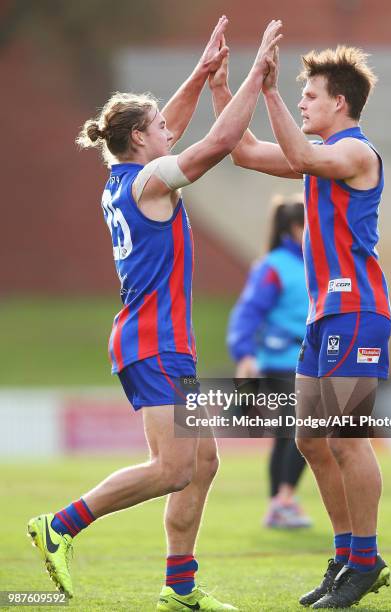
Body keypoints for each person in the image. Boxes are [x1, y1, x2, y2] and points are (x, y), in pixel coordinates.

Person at [27, 17, 283, 612]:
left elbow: (167, 126)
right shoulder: (149, 185)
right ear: (140, 140)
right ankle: (60, 525)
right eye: (160, 128)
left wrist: (200, 72)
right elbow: (219, 142)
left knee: (203, 462)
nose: (169, 129)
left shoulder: (121, 178)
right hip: (154, 342)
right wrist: (253, 74)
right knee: (172, 468)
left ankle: (180, 588)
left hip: (165, 343)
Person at [209, 40, 391, 608]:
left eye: (310, 95)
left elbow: (307, 158)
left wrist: (267, 90)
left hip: (357, 311)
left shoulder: (356, 153)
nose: (303, 101)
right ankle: (346, 558)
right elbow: (243, 150)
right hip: (323, 316)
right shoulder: (318, 149)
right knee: (311, 438)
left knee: (346, 437)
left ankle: (366, 560)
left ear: (340, 102)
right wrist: (222, 84)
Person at [227, 194, 312, 529]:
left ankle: (280, 503)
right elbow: (247, 313)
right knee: (305, 430)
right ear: (295, 227)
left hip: (306, 360)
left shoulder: (314, 263)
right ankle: (284, 500)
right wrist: (243, 354)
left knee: (289, 433)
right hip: (281, 360)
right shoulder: (273, 266)